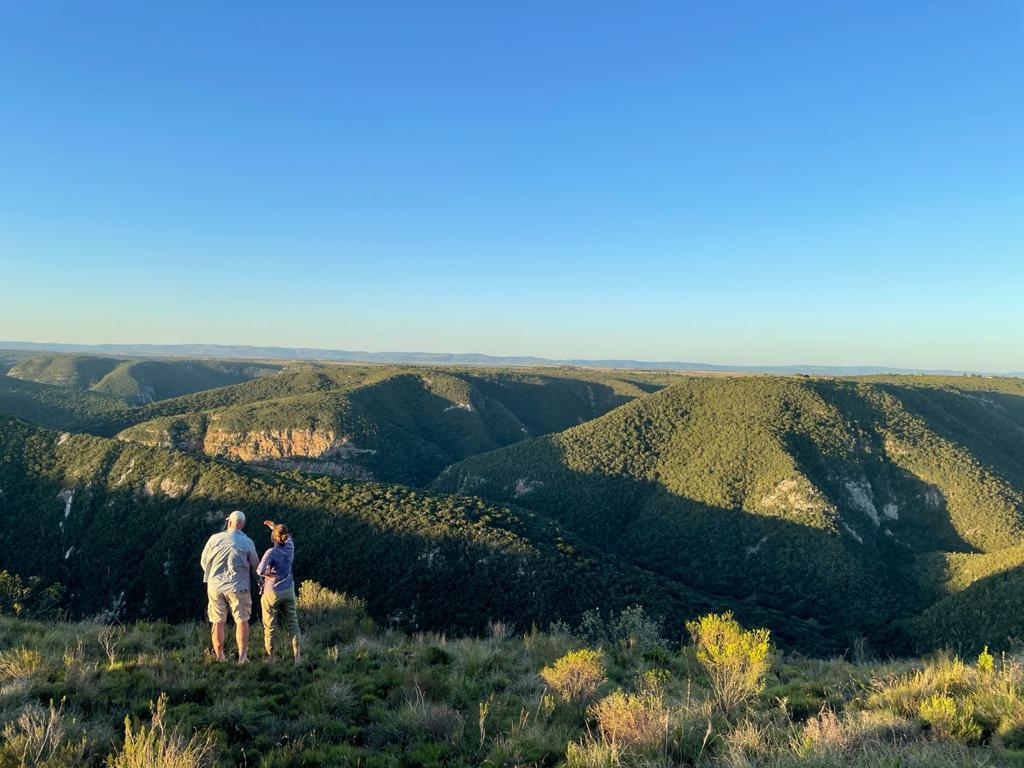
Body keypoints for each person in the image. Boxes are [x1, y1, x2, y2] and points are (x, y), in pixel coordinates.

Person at [200, 510, 259, 664]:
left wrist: (213, 575)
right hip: (238, 587)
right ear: (243, 524)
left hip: (215, 586)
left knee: (218, 621)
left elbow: (204, 561)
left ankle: (220, 656)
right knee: (241, 620)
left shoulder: (214, 539)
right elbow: (256, 566)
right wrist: (259, 581)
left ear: (229, 522)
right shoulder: (247, 542)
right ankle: (242, 657)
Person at [257, 519, 301, 664]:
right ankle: (297, 658)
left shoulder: (271, 552)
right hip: (288, 590)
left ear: (273, 538)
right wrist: (274, 527)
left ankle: (271, 656)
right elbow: (287, 538)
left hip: (272, 592)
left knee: (270, 626)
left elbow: (260, 570)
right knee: (293, 624)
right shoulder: (290, 547)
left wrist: (269, 576)